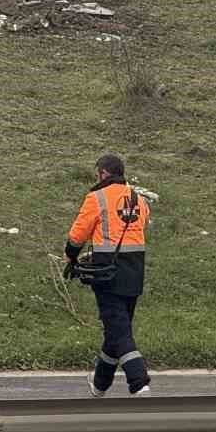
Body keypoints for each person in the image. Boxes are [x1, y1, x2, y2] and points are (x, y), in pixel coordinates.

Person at [65, 153, 152, 396]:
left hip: (107, 272)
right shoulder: (138, 199)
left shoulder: (96, 198)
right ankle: (100, 385)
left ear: (103, 173)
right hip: (135, 270)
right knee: (116, 328)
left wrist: (70, 255)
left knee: (119, 330)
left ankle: (139, 381)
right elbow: (142, 223)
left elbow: (78, 234)